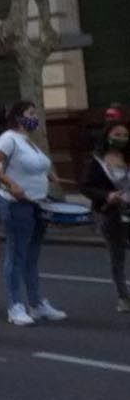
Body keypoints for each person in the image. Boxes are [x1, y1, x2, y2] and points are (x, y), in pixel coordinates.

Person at [0, 101, 67, 326]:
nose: (35, 117)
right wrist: (11, 184)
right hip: (16, 205)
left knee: (32, 256)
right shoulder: (8, 139)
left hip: (37, 204)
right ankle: (15, 306)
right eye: (31, 113)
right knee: (16, 254)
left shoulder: (29, 141)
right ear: (18, 117)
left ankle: (36, 304)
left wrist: (48, 176)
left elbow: (27, 167)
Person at [80, 121, 130, 312]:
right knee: (117, 255)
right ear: (108, 136)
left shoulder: (127, 158)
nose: (122, 139)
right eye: (117, 135)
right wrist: (107, 195)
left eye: (125, 135)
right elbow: (85, 187)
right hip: (110, 213)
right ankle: (123, 296)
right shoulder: (96, 161)